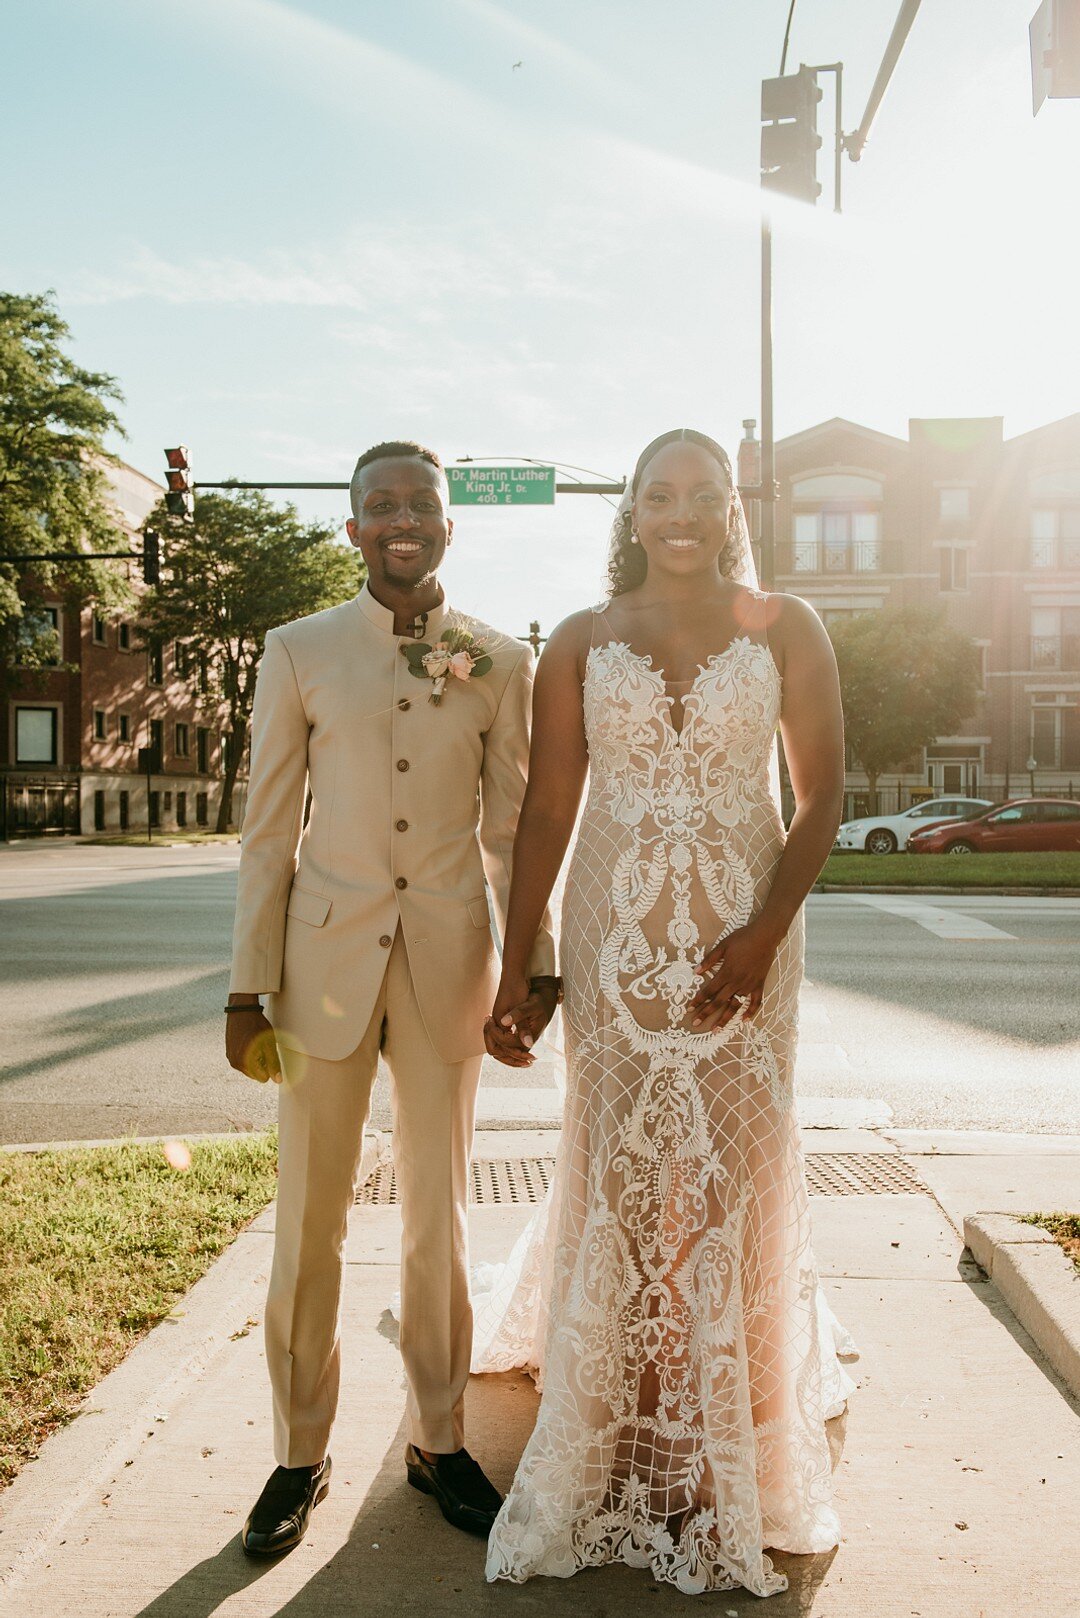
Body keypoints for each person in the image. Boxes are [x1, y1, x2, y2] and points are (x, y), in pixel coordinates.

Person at [478, 428, 857, 1598]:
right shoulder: (584, 642)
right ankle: (629, 1416)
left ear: (730, 506)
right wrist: (521, 956)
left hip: (748, 936)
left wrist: (763, 933)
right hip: (616, 942)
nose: (681, 513)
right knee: (627, 1164)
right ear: (632, 511)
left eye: (702, 493)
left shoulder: (786, 625)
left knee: (738, 1164)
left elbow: (824, 790)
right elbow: (547, 807)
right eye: (660, 494)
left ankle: (728, 1420)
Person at [225, 440, 558, 1556]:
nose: (401, 520)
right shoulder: (299, 650)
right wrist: (245, 986)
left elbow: (513, 831)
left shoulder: (498, 658)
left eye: (422, 503)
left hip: (448, 962)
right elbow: (269, 831)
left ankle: (439, 1436)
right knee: (309, 1220)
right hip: (320, 970)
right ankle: (296, 1454)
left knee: (439, 1218)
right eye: (380, 506)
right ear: (354, 528)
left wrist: (530, 967)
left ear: (451, 527)